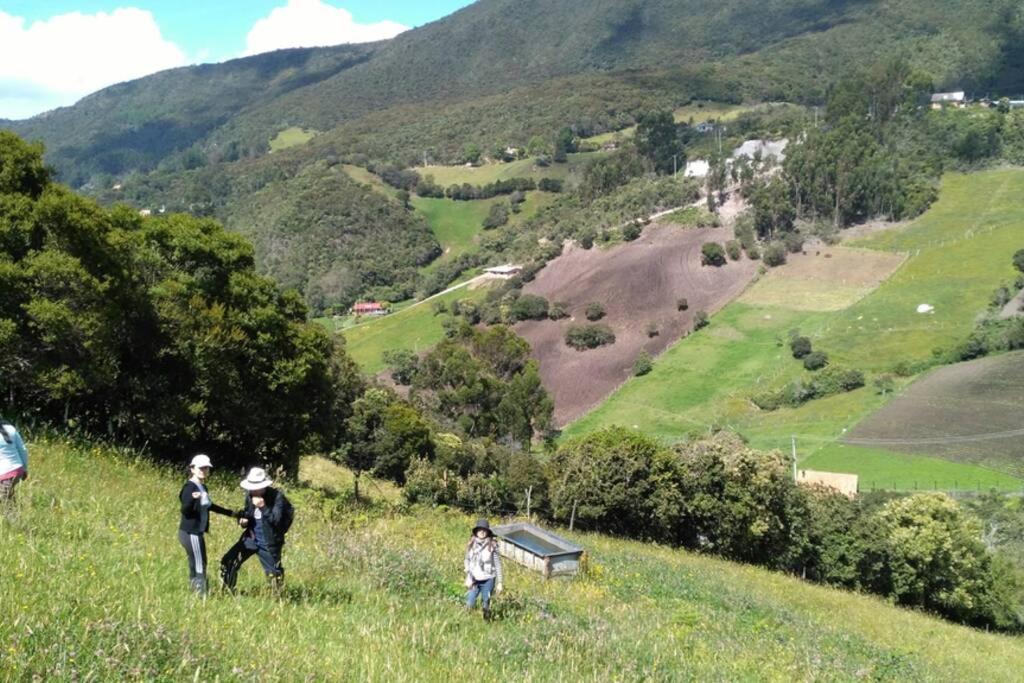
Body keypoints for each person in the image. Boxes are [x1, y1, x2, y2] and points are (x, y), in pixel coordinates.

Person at [220, 467, 293, 595]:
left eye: (256, 487)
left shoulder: (277, 497)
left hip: (269, 542)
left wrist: (263, 507)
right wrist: (243, 521)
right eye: (251, 487)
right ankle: (228, 591)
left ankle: (279, 599)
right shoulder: (249, 495)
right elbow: (248, 514)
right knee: (229, 560)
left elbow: (277, 521)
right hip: (251, 538)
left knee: (274, 575)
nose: (253, 490)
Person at [178, 454, 237, 595]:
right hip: (190, 532)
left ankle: (196, 592)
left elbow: (209, 506)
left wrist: (231, 513)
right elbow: (185, 510)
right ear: (192, 469)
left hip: (197, 532)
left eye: (206, 468)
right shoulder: (189, 488)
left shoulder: (203, 487)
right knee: (200, 563)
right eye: (201, 468)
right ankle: (200, 594)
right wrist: (193, 499)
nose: (204, 471)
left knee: (199, 561)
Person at [464, 518, 503, 620]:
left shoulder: (493, 545)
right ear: (476, 531)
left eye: (484, 530)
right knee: (469, 603)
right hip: (474, 578)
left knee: (486, 604)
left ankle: (487, 622)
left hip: (488, 579)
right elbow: (467, 560)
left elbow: (498, 565)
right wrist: (468, 576)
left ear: (487, 532)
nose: (482, 532)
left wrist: (500, 583)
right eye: (480, 529)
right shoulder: (471, 543)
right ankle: (466, 622)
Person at [0, 417, 29, 518]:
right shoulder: (11, 428)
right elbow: (23, 450)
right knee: (8, 497)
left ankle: (20, 527)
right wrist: (25, 468)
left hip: (5, 472)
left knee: (6, 502)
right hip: (17, 469)